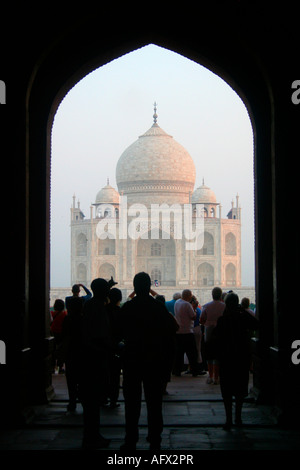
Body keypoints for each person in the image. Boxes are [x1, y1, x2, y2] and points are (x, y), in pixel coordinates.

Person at [120, 272, 178, 451]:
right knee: (154, 402)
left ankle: (131, 439)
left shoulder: (128, 307)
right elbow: (173, 328)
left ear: (135, 287)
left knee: (132, 403)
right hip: (154, 360)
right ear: (150, 286)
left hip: (133, 360)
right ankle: (155, 438)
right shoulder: (158, 307)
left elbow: (116, 331)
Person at [214, 292, 259, 430]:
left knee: (227, 390)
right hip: (241, 358)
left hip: (227, 359)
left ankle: (228, 420)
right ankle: (238, 418)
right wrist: (243, 311)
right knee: (240, 389)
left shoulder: (222, 320)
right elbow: (256, 325)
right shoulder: (242, 318)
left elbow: (216, 339)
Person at [79, 278, 111, 450]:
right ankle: (90, 437)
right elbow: (95, 335)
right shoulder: (96, 306)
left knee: (94, 402)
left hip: (93, 356)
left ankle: (93, 435)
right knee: (92, 402)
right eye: (106, 289)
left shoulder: (93, 303)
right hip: (94, 359)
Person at [61, 296, 83, 411]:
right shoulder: (84, 319)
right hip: (83, 352)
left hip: (71, 352)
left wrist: (62, 354)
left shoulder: (68, 319)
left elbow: (66, 338)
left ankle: (72, 401)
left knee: (71, 379)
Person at [200, 287, 226, 384]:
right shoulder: (224, 306)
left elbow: (201, 319)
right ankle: (216, 377)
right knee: (218, 355)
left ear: (212, 295)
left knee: (209, 354)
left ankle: (210, 377)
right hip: (221, 331)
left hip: (209, 331)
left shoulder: (206, 306)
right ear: (220, 295)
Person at [173, 289, 198, 377]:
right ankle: (194, 371)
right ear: (188, 296)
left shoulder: (177, 302)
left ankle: (177, 371)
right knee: (192, 354)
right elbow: (193, 317)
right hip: (187, 331)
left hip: (178, 331)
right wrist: (194, 308)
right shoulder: (187, 304)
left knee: (179, 354)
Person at [106, 287, 123, 409]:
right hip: (115, 347)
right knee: (114, 375)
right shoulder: (119, 311)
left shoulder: (101, 310)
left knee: (102, 374)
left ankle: (101, 398)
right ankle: (113, 399)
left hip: (101, 347)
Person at [50, 299, 67, 374]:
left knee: (52, 351)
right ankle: (60, 367)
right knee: (61, 352)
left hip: (53, 334)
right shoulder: (64, 314)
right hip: (62, 334)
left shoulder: (52, 313)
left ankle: (52, 367)